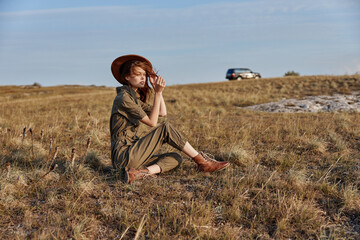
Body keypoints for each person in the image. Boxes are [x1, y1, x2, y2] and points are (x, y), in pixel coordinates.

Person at [110, 54, 230, 183]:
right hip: (124, 156)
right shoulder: (124, 98)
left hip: (132, 155)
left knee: (175, 157)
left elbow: (162, 112)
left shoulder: (134, 98)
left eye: (144, 75)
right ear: (127, 77)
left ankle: (140, 173)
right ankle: (202, 162)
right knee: (165, 128)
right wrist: (157, 93)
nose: (142, 78)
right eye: (138, 74)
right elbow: (152, 123)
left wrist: (159, 92)